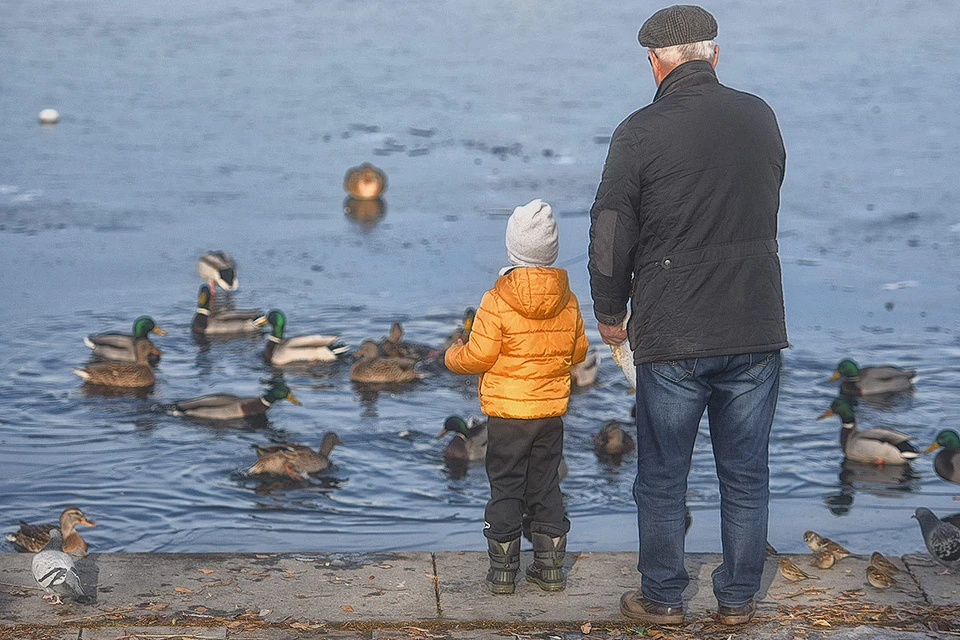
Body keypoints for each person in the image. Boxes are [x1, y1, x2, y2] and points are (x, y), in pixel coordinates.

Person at [587, 5, 787, 627]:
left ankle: (664, 598)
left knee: (665, 473)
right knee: (746, 472)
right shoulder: (760, 116)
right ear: (715, 55)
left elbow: (611, 231)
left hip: (674, 328)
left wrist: (610, 311)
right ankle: (736, 600)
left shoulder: (639, 131)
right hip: (754, 320)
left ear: (656, 63)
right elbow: (768, 193)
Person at [445, 198, 589, 595]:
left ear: (512, 249)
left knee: (506, 486)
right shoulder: (569, 299)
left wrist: (452, 355)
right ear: (552, 250)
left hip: (508, 415)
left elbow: (478, 356)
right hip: (549, 413)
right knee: (545, 485)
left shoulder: (496, 300)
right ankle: (550, 570)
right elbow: (578, 353)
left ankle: (504, 574)